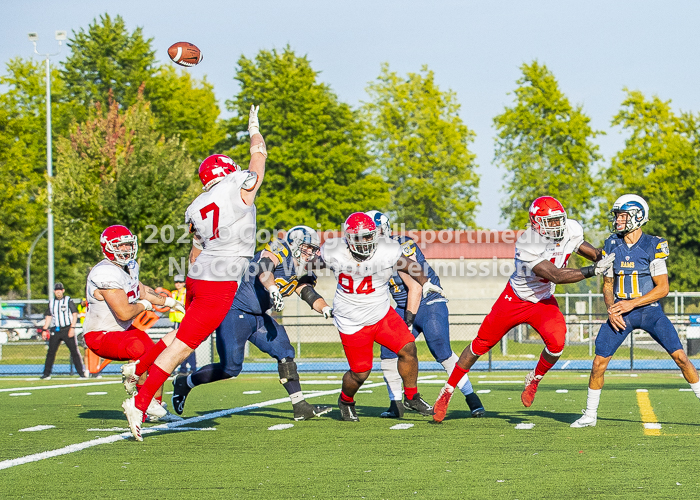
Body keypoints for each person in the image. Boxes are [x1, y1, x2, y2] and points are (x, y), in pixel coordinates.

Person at [122, 105, 267, 441]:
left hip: (199, 276)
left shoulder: (196, 206)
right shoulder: (237, 186)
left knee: (181, 334)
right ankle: (140, 402)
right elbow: (258, 160)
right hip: (220, 282)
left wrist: (193, 280)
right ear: (228, 171)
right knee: (185, 346)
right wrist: (254, 131)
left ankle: (138, 369)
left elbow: (196, 248)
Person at [433, 196, 616, 422]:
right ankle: (448, 391)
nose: (557, 226)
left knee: (557, 344)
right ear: (536, 223)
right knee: (480, 345)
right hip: (515, 299)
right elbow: (556, 276)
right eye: (550, 222)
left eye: (559, 220)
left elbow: (591, 252)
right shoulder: (528, 242)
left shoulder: (571, 229)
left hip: (543, 301)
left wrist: (610, 257)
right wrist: (593, 270)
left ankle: (534, 378)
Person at [172, 225, 333, 421]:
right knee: (230, 368)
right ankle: (185, 382)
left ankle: (300, 406)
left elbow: (307, 292)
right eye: (308, 247)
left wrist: (325, 308)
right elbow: (265, 269)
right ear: (295, 242)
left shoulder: (303, 268)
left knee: (284, 352)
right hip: (234, 311)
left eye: (314, 249)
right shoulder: (279, 248)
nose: (311, 253)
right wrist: (272, 288)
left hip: (258, 316)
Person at [571, 194, 700, 427]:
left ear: (637, 216)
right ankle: (590, 415)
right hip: (621, 312)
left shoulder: (653, 245)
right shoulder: (612, 243)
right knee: (599, 362)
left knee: (681, 357)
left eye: (622, 215)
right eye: (617, 215)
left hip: (649, 311)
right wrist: (611, 308)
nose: (618, 220)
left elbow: (663, 289)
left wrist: (632, 303)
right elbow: (608, 284)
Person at [320, 212, 443, 422]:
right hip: (352, 320)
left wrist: (426, 282)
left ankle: (412, 397)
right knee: (360, 372)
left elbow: (409, 265)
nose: (365, 242)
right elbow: (308, 268)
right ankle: (345, 399)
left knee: (408, 348)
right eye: (359, 238)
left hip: (381, 313)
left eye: (369, 236)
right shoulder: (333, 251)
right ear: (348, 239)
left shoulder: (387, 249)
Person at [365, 210, 485, 419]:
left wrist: (408, 323)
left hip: (428, 302)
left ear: (383, 231)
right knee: (387, 353)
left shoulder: (401, 247)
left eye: (372, 233)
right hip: (403, 307)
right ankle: (396, 404)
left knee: (441, 350)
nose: (369, 239)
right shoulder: (369, 258)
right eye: (366, 235)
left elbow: (416, 288)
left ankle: (472, 399)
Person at [82, 224, 185, 422]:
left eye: (128, 245)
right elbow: (124, 312)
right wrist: (145, 305)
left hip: (123, 331)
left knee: (160, 357)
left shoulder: (129, 267)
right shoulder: (104, 273)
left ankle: (154, 406)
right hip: (100, 335)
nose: (126, 250)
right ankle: (143, 401)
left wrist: (169, 302)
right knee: (139, 349)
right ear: (108, 247)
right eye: (120, 246)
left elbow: (141, 290)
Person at [40, 283, 87, 379]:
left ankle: (81, 373)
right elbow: (48, 316)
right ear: (54, 291)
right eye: (56, 290)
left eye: (60, 290)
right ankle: (46, 374)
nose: (58, 292)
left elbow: (74, 314)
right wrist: (44, 329)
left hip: (67, 329)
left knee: (74, 351)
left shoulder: (68, 300)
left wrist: (72, 328)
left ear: (63, 291)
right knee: (51, 352)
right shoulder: (52, 302)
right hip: (56, 329)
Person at [170, 275, 196, 375]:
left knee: (188, 345)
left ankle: (192, 367)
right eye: (176, 282)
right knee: (178, 345)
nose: (178, 284)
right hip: (176, 322)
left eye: (180, 282)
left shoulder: (187, 292)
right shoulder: (173, 293)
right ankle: (183, 367)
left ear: (184, 283)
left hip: (185, 321)